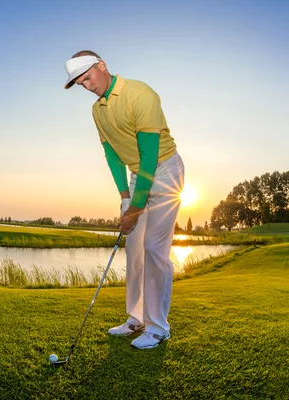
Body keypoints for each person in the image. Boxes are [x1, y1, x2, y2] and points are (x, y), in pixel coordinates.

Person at [63, 50, 185, 349]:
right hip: (136, 175)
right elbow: (111, 153)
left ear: (102, 66)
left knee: (154, 250)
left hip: (165, 171)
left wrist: (137, 206)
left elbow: (149, 156)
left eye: (88, 78)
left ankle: (158, 328)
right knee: (134, 251)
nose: (87, 86)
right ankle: (136, 318)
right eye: (80, 83)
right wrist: (124, 195)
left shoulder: (140, 94)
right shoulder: (97, 110)